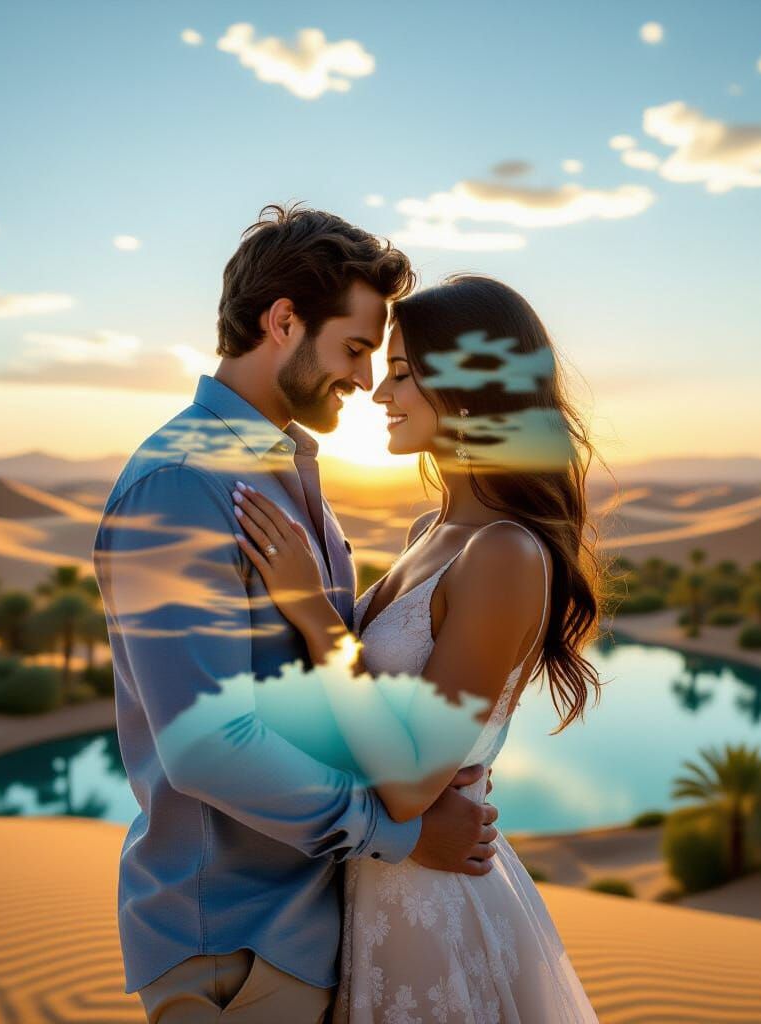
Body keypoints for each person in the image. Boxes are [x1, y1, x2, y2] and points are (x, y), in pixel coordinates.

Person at [92, 205, 501, 1024]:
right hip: (235, 945)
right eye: (354, 348)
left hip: (309, 928)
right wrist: (404, 834)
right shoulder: (181, 486)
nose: (365, 378)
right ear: (283, 323)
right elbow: (208, 745)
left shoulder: (286, 474)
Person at [232, 274, 605, 1022]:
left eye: (401, 373)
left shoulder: (503, 553)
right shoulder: (430, 534)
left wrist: (315, 615)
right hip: (377, 882)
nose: (379, 393)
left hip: (433, 907)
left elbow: (408, 785)